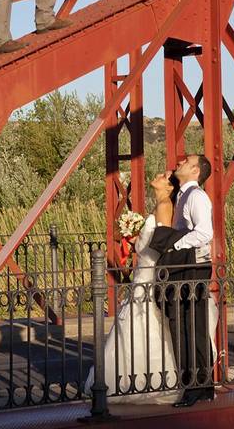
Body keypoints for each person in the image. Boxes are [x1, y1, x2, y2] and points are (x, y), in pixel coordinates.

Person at [84, 173, 181, 404]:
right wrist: (137, 237)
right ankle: (131, 378)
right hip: (142, 272)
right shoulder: (159, 205)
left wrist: (142, 242)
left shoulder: (165, 206)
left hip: (149, 273)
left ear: (169, 187)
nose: (158, 175)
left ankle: (145, 381)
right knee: (135, 323)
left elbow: (163, 245)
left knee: (144, 322)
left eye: (164, 176)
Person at [146, 154, 216, 408]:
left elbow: (205, 232)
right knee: (188, 325)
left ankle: (194, 387)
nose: (180, 162)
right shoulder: (183, 195)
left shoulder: (196, 196)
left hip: (192, 267)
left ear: (196, 170)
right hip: (187, 266)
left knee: (187, 326)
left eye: (186, 161)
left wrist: (175, 244)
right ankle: (203, 385)